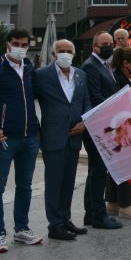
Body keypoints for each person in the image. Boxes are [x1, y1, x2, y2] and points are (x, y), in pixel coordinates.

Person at [0, 28, 43, 252]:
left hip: (29, 138)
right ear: (8, 44)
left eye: (24, 44)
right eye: (16, 43)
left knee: (24, 185)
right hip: (4, 139)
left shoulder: (29, 69)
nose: (20, 47)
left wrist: (37, 129)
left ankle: (21, 228)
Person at [34, 39, 91, 242]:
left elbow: (86, 102)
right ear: (53, 54)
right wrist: (38, 129)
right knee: (54, 182)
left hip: (75, 136)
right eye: (61, 51)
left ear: (74, 54)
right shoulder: (41, 75)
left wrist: (84, 122)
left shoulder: (80, 74)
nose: (65, 54)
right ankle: (55, 224)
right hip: (53, 136)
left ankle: (65, 219)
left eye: (68, 51)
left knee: (68, 181)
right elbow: (30, 100)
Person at [79, 32, 123, 230]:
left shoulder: (105, 65)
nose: (108, 47)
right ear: (94, 47)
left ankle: (91, 213)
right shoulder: (91, 66)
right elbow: (96, 97)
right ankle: (98, 215)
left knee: (96, 171)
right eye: (103, 44)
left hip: (104, 124)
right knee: (98, 172)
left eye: (110, 44)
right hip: (97, 125)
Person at [110, 47, 131, 218]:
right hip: (123, 127)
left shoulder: (126, 77)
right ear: (125, 63)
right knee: (125, 165)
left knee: (118, 166)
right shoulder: (118, 78)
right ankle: (125, 205)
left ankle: (113, 201)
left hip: (126, 125)